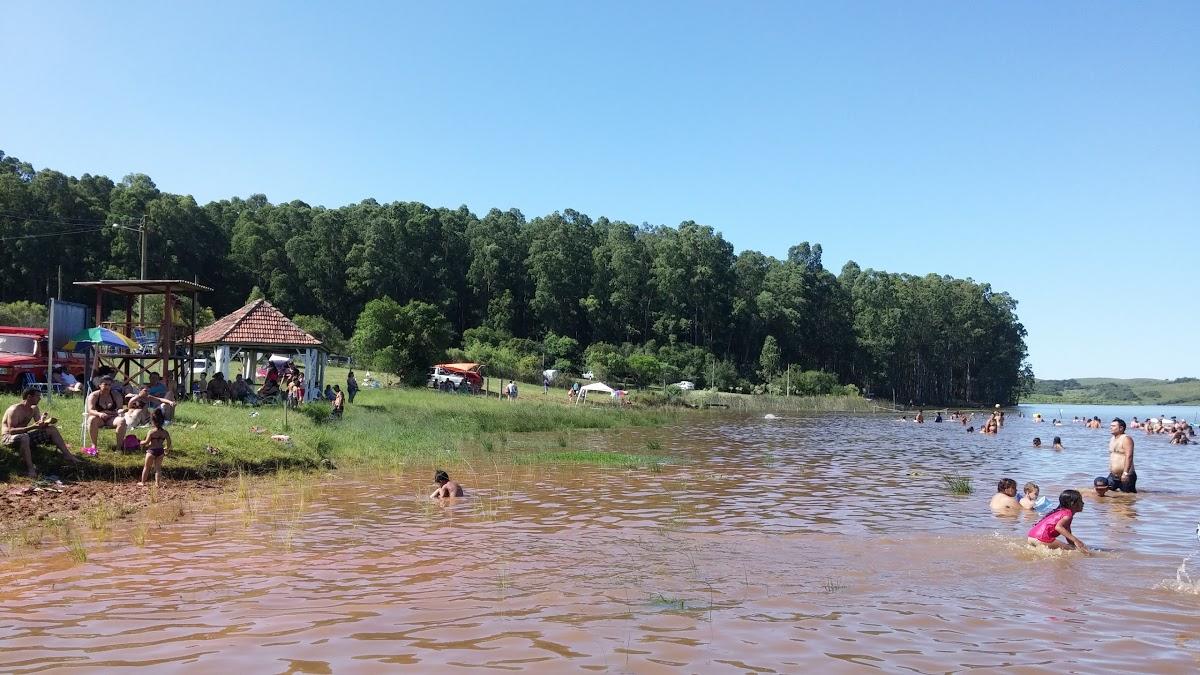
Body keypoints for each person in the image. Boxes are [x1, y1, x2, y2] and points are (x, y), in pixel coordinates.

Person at [2, 388, 78, 478]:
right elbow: (11, 431)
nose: (40, 398)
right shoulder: (15, 410)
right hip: (8, 438)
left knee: (52, 429)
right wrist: (33, 426)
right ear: (29, 397)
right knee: (24, 437)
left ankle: (68, 455)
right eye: (37, 396)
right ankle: (31, 469)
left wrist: (45, 421)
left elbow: (39, 425)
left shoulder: (34, 408)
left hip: (23, 436)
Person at [86, 376, 128, 452]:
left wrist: (121, 410)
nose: (107, 387)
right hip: (98, 418)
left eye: (109, 385)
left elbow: (119, 408)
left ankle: (118, 448)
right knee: (92, 419)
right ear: (99, 385)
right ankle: (94, 446)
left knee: (122, 420)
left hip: (111, 418)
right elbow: (90, 410)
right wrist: (100, 414)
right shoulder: (94, 395)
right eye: (105, 384)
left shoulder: (116, 395)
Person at [1101, 417, 1136, 493]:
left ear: (1121, 428)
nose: (1111, 427)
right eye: (1111, 426)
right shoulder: (1112, 439)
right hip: (1113, 475)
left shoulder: (1126, 439)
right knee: (1102, 491)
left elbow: (1129, 456)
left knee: (1127, 498)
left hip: (1126, 475)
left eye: (1113, 426)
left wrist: (1125, 473)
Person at [138, 408, 172, 486]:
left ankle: (143, 482)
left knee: (146, 467)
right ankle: (157, 483)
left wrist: (140, 442)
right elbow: (169, 442)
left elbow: (146, 442)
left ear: (153, 421)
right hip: (160, 451)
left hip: (151, 451)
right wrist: (166, 448)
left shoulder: (151, 432)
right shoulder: (165, 432)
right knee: (158, 468)